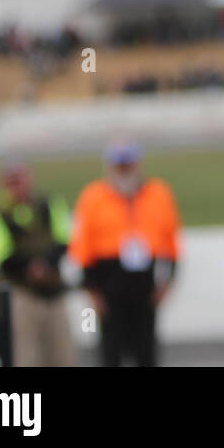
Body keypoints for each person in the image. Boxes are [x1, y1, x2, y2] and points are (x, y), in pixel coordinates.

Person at [68, 143, 181, 366]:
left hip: (144, 285)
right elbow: (83, 249)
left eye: (128, 165)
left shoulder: (158, 193)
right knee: (111, 352)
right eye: (119, 166)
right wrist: (92, 292)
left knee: (146, 351)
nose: (124, 170)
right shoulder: (93, 197)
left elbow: (171, 243)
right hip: (109, 286)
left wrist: (167, 283)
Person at [0, 162, 77, 366]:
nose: (17, 184)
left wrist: (45, 265)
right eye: (12, 180)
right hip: (20, 292)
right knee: (25, 356)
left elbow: (65, 239)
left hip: (53, 290)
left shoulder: (49, 203)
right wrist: (30, 268)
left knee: (63, 355)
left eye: (20, 178)